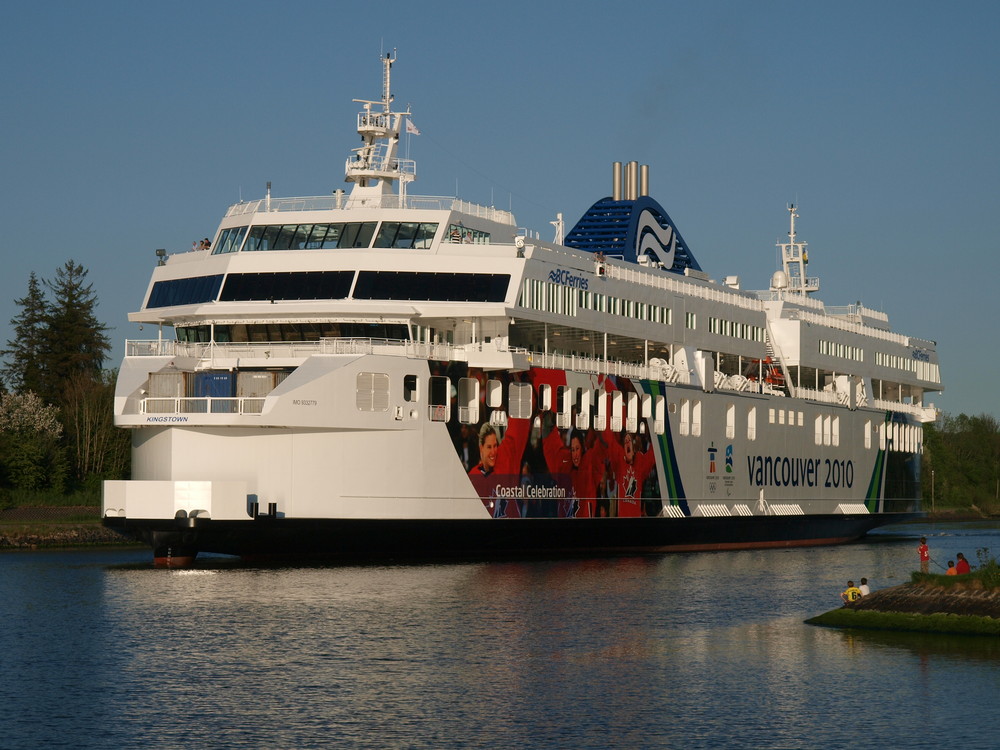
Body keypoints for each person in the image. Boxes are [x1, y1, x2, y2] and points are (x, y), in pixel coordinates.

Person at [468, 418, 530, 518]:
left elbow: (517, 429)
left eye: (495, 446)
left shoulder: (504, 460)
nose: (493, 452)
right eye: (489, 447)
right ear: (481, 448)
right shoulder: (473, 478)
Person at [604, 427, 657, 517]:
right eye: (625, 441)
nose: (627, 442)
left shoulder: (640, 463)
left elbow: (653, 453)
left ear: (633, 449)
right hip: (622, 519)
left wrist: (655, 428)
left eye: (629, 440)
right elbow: (610, 440)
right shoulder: (619, 463)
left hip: (636, 520)